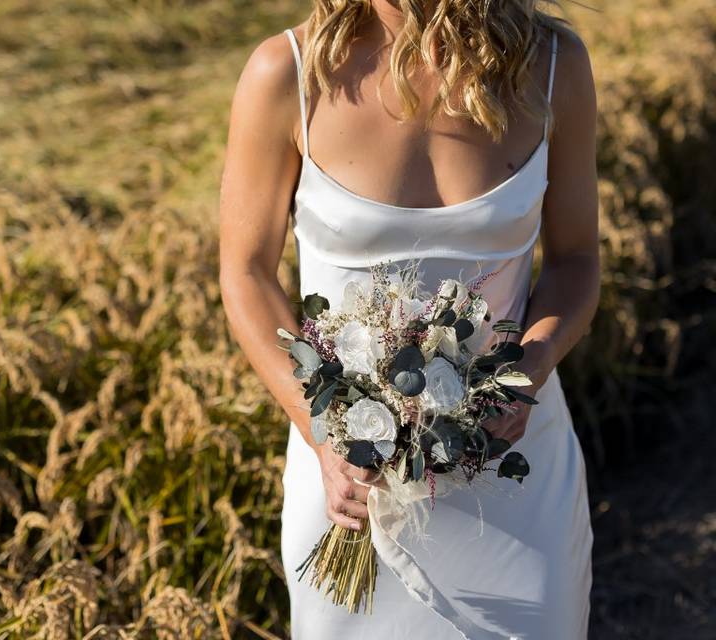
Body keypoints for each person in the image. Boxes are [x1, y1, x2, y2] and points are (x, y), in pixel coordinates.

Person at [218, 0, 599, 637]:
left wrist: (527, 372)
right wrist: (321, 431)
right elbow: (247, 273)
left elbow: (577, 260)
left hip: (515, 471)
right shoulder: (287, 72)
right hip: (350, 488)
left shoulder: (555, 66)